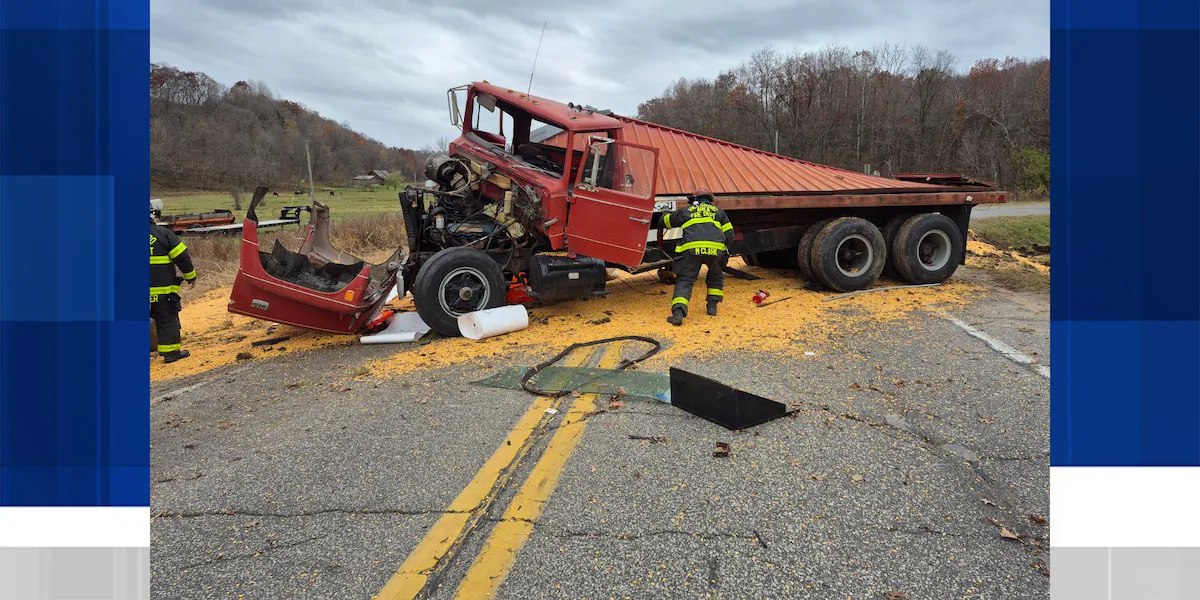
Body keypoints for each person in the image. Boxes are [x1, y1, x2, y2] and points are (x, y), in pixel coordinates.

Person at [661, 188, 735, 326]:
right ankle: (712, 307)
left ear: (693, 199)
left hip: (692, 250)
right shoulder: (719, 212)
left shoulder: (686, 211)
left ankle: (678, 314)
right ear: (711, 200)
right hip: (715, 250)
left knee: (685, 280)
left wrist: (665, 213)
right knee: (715, 276)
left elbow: (665, 222)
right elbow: (730, 234)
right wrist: (724, 250)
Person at [150, 205, 198, 362]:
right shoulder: (164, 235)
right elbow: (182, 257)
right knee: (167, 320)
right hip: (163, 293)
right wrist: (190, 276)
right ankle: (171, 354)